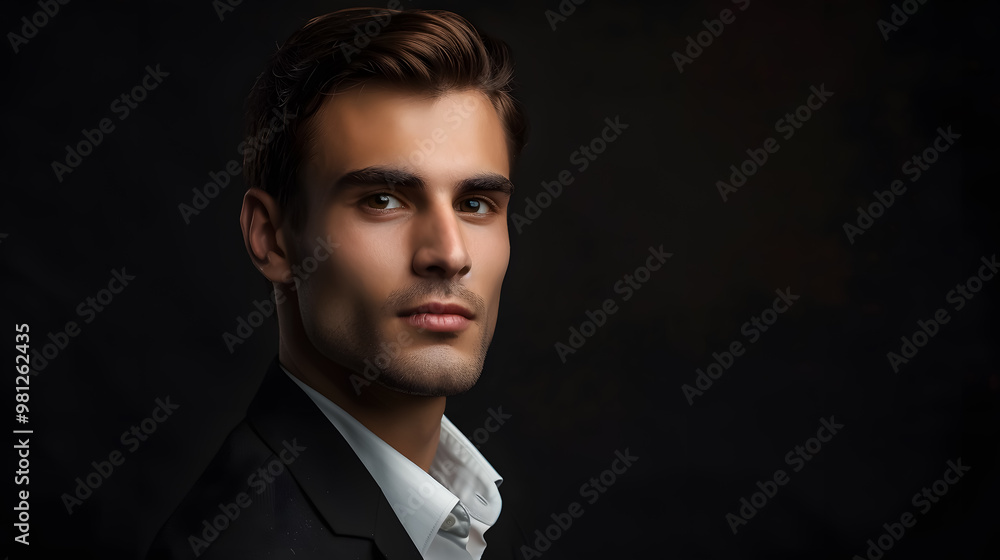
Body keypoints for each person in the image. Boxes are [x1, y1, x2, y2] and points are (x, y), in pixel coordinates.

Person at [146, 6, 528, 559]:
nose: (449, 253)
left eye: (475, 203)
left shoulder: (476, 517)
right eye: (383, 200)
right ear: (272, 239)